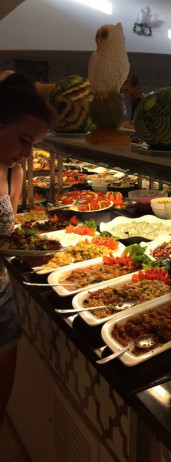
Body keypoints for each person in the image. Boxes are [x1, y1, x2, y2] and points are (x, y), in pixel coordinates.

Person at [0, 73, 51, 427]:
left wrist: (32, 252)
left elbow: (8, 237)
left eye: (35, 144)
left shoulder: (12, 173)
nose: (28, 153)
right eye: (24, 140)